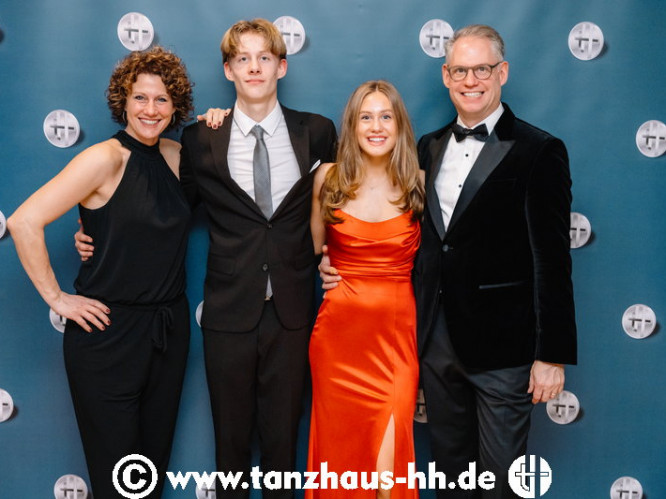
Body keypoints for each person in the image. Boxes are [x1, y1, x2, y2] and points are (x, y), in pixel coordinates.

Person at [8, 46, 194, 498]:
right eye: (140, 98)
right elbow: (24, 221)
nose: (151, 109)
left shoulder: (177, 156)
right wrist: (57, 298)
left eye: (162, 99)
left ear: (175, 106)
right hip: (109, 337)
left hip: (167, 332)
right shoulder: (103, 159)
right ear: (123, 102)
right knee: (118, 482)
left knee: (151, 475)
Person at [414, 25, 577, 498]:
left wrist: (551, 354)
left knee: (502, 484)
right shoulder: (428, 147)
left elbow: (552, 257)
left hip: (506, 349)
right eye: (460, 70)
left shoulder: (539, 149)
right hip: (437, 344)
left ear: (502, 72)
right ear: (446, 76)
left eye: (482, 69)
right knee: (451, 482)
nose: (471, 81)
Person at [179, 19, 337, 499]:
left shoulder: (317, 131)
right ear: (228, 70)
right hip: (228, 311)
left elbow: (341, 205)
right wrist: (94, 228)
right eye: (242, 59)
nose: (254, 67)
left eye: (264, 58)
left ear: (281, 67)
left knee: (282, 445)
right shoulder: (200, 138)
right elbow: (169, 211)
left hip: (292, 312)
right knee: (229, 446)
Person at [307, 80, 424, 499]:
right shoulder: (328, 179)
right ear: (352, 127)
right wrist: (323, 264)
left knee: (388, 478)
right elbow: (314, 250)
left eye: (386, 117)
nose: (376, 127)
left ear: (399, 125)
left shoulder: (418, 183)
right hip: (337, 343)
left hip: (395, 345)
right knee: (341, 471)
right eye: (366, 117)